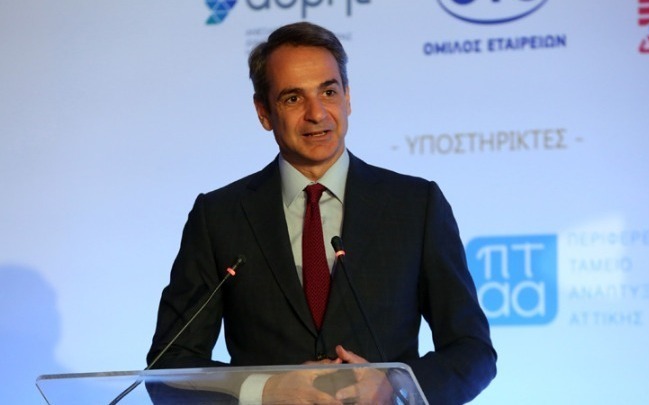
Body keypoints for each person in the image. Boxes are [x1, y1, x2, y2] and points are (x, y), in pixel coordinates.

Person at [147, 21, 497, 404]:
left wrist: (395, 384)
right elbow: (168, 369)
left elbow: (473, 353)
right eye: (293, 98)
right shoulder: (218, 217)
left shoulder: (415, 205)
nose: (316, 113)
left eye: (328, 92)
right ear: (264, 112)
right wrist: (265, 391)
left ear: (348, 98)